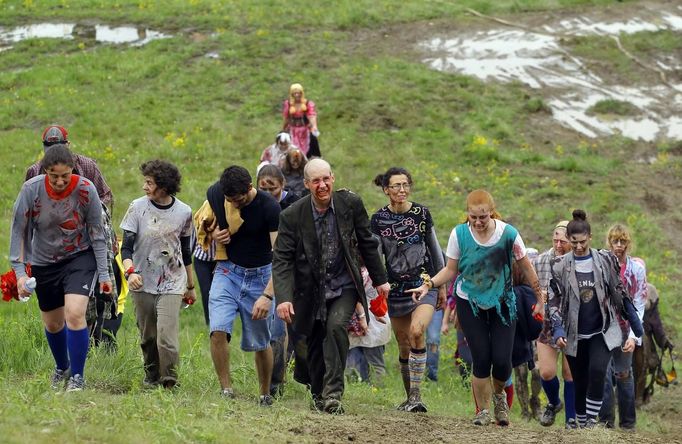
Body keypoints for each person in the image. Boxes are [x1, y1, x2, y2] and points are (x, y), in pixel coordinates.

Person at [408, 189, 544, 426]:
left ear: (492, 213)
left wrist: (539, 298)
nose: (479, 222)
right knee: (481, 359)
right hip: (469, 302)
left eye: (483, 217)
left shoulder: (509, 234)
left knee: (502, 361)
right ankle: (482, 410)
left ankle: (500, 396)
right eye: (474, 217)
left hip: (502, 303)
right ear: (468, 215)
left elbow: (526, 267)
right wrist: (427, 284)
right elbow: (450, 270)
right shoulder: (459, 234)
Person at [273, 158, 389, 414]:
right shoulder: (292, 215)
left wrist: (380, 280)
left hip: (344, 285)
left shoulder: (350, 203)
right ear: (306, 184)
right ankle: (317, 393)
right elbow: (281, 258)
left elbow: (367, 242)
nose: (322, 185)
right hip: (309, 289)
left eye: (326, 179)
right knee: (312, 342)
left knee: (336, 327)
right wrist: (283, 297)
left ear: (333, 178)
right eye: (316, 181)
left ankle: (333, 393)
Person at [10, 144, 112, 391]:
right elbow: (19, 232)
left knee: (75, 314)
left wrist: (105, 274)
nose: (59, 181)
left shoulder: (86, 190)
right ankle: (62, 367)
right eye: (54, 176)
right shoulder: (31, 190)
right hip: (45, 261)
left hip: (80, 257)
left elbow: (98, 234)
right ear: (45, 171)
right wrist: (20, 274)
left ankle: (77, 377)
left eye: (65, 176)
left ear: (73, 171)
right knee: (53, 324)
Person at [549, 210, 635, 429]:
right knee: (579, 380)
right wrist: (557, 329)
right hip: (574, 332)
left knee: (597, 372)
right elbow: (554, 300)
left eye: (583, 242)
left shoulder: (605, 260)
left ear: (590, 237)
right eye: (574, 242)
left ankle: (589, 422)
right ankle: (580, 419)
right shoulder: (559, 265)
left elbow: (619, 291)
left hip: (601, 329)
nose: (578, 246)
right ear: (569, 240)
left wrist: (634, 323)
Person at [203, 165, 280, 406]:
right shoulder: (216, 193)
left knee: (261, 340)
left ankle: (265, 393)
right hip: (228, 271)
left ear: (250, 187)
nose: (234, 204)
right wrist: (215, 232)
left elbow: (281, 257)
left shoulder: (269, 207)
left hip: (260, 276)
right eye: (230, 200)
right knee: (218, 329)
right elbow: (209, 221)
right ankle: (226, 389)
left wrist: (267, 296)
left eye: (239, 199)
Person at [370, 167, 446, 412]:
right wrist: (378, 285)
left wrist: (440, 286)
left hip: (424, 284)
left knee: (416, 331)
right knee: (403, 343)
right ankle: (410, 397)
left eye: (405, 185)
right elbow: (376, 254)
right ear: (386, 190)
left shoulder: (422, 213)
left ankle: (416, 397)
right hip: (395, 288)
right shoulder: (379, 219)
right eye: (396, 186)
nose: (401, 190)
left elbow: (435, 251)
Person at [120, 160, 195, 389]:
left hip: (173, 281)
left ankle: (169, 381)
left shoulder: (184, 212)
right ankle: (151, 377)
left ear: (163, 187)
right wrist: (129, 272)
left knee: (166, 337)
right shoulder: (137, 207)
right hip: (142, 279)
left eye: (149, 183)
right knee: (149, 337)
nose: (144, 186)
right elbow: (126, 247)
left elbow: (186, 250)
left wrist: (190, 285)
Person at [256, 164, 301, 397]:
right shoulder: (256, 204)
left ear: (283, 186)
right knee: (272, 325)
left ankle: (278, 379)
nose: (266, 193)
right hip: (264, 266)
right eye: (262, 188)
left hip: (290, 267)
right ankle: (273, 379)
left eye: (271, 188)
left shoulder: (294, 205)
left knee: (282, 326)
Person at [599, 224, 647, 430]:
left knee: (624, 373)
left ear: (629, 243)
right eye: (615, 241)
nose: (619, 246)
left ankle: (628, 424)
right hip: (603, 327)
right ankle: (605, 422)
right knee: (602, 374)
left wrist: (634, 337)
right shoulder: (601, 265)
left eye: (623, 241)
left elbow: (639, 302)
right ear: (609, 243)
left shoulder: (636, 269)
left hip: (627, 327)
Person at [533, 221, 577, 428]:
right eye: (556, 240)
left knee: (569, 373)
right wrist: (538, 297)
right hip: (548, 322)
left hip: (572, 323)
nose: (559, 245)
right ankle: (553, 403)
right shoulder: (541, 261)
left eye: (564, 241)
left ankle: (571, 420)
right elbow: (530, 286)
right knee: (546, 372)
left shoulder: (578, 262)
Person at [26, 125, 113, 209]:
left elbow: (105, 195)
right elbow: (26, 204)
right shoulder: (34, 171)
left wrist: (93, 211)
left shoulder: (88, 166)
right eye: (51, 151)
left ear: (68, 145)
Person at [345, 267, 392, 386]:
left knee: (372, 362)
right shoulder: (370, 270)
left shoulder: (371, 271)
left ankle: (376, 391)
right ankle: (362, 390)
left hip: (371, 320)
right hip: (358, 320)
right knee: (355, 362)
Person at [282, 83, 318, 156]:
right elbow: (286, 117)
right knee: (283, 140)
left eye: (298, 93)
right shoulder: (288, 104)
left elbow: (311, 115)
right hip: (293, 130)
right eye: (294, 93)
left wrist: (314, 126)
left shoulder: (307, 103)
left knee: (313, 140)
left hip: (305, 130)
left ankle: (315, 157)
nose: (297, 95)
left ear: (302, 93)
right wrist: (284, 128)